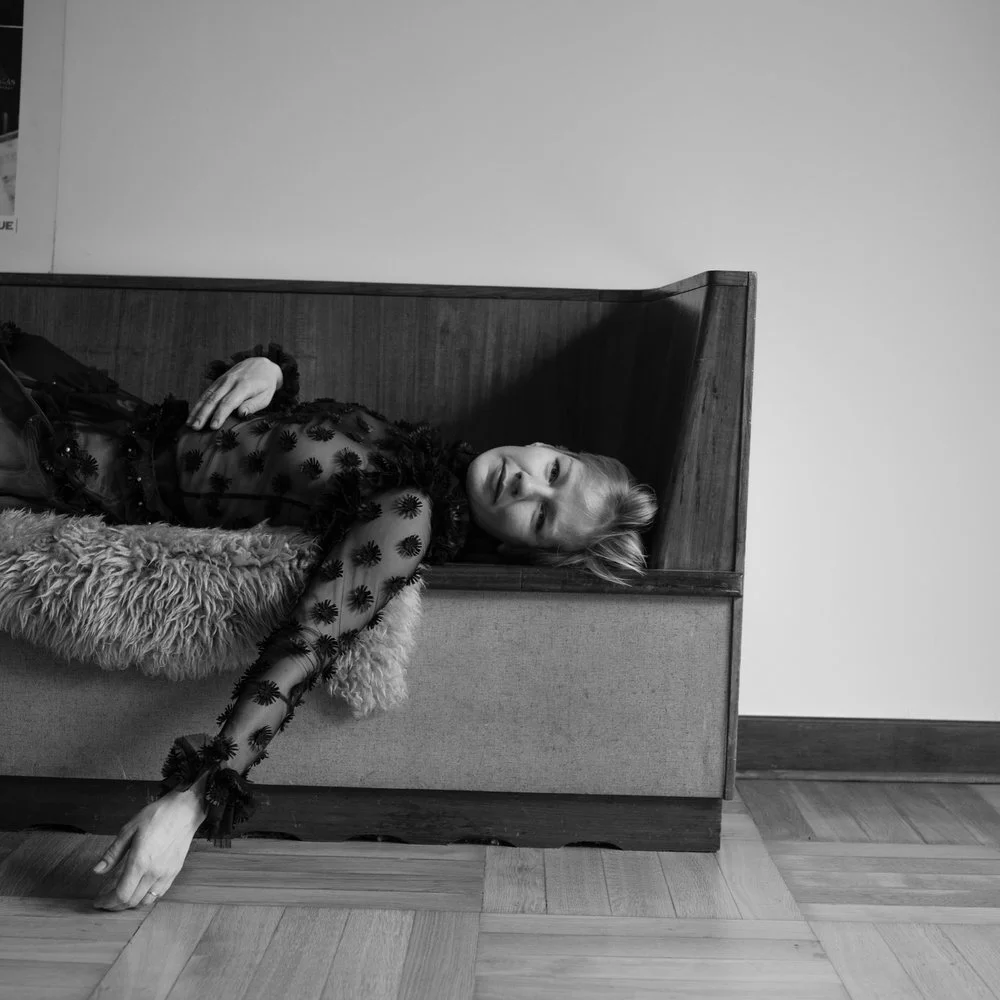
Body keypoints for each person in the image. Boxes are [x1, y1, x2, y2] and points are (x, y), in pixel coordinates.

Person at [0, 322, 658, 911]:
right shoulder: (424, 459)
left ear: (518, 547)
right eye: (554, 471)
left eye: (540, 516)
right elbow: (282, 455)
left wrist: (192, 800)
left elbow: (310, 642)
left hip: (77, 466)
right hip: (109, 416)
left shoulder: (409, 517)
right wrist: (270, 374)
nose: (527, 485)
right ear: (547, 445)